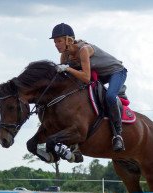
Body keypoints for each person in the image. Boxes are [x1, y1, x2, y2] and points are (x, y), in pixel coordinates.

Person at [50, 23, 127, 152]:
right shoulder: (65, 55)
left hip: (116, 72)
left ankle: (118, 135)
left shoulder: (84, 50)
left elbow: (86, 77)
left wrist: (67, 68)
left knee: (109, 96)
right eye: (55, 42)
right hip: (99, 75)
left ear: (69, 40)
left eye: (59, 41)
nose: (56, 44)